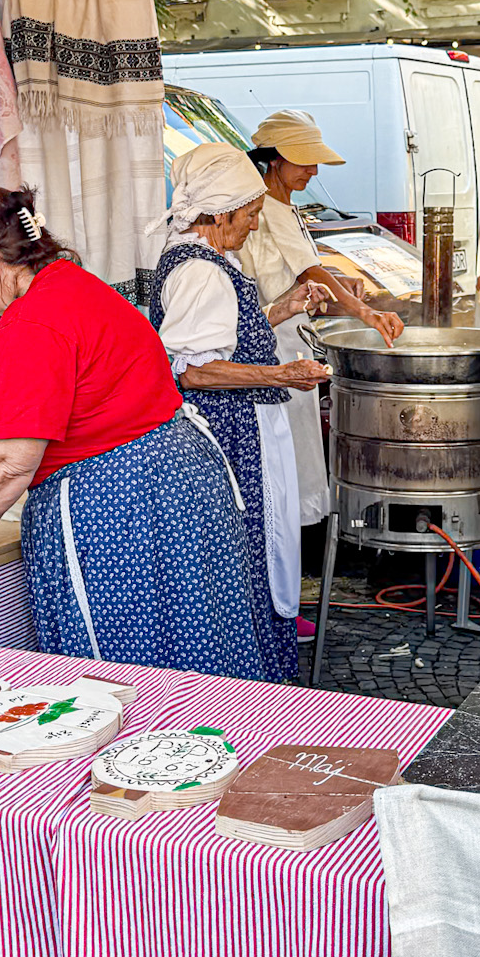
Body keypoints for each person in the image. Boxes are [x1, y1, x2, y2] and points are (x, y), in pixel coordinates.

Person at [0, 186, 276, 679]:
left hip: (119, 505)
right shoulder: (73, 283)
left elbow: (8, 464)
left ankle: (139, 751)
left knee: (125, 666)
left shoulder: (31, 322)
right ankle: (213, 745)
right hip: (178, 482)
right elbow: (74, 411)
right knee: (196, 642)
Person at [149, 143, 332, 684]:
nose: (254, 224)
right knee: (248, 550)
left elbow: (222, 339)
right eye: (250, 214)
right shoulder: (201, 271)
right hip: (227, 438)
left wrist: (285, 307)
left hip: (236, 429)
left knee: (255, 550)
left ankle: (258, 672)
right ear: (222, 212)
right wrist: (283, 376)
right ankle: (250, 682)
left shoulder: (203, 257)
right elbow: (191, 370)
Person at [241, 108, 404, 531]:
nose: (312, 171)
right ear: (274, 158)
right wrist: (366, 313)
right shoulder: (267, 209)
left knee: (297, 453)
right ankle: (286, 548)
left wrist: (344, 289)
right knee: (285, 459)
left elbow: (306, 274)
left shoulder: (284, 206)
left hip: (292, 341)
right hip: (272, 346)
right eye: (303, 160)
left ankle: (294, 546)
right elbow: (310, 274)